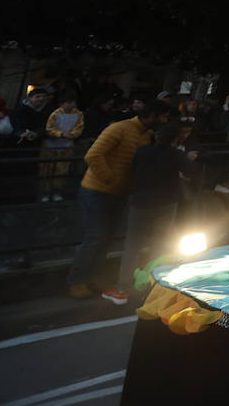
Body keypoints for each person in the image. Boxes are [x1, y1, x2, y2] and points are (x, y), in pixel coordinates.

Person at [66, 99, 170, 299]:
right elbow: (93, 155)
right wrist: (110, 179)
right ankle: (76, 281)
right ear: (152, 115)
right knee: (95, 237)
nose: (165, 120)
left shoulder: (147, 135)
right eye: (163, 116)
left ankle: (93, 278)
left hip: (120, 193)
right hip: (96, 190)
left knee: (106, 238)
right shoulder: (119, 128)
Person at [110, 121, 198, 304]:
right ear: (176, 139)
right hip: (166, 203)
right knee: (159, 245)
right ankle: (151, 286)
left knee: (132, 245)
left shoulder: (142, 151)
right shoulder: (176, 154)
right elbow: (191, 172)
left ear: (157, 136)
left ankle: (122, 287)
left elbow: (132, 169)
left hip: (139, 202)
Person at [41, 95, 84, 201]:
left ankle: (57, 191)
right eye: (69, 102)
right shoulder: (55, 113)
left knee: (62, 170)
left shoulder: (79, 114)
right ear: (62, 103)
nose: (72, 105)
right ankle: (45, 192)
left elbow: (79, 128)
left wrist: (72, 135)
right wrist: (61, 134)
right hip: (50, 145)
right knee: (47, 169)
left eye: (73, 102)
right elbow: (49, 128)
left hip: (67, 145)